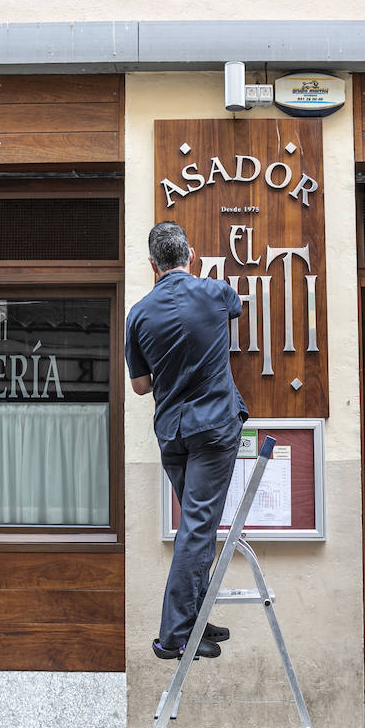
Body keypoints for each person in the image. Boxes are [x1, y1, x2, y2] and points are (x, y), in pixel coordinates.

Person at [126, 222, 247, 661]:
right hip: (213, 429)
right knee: (199, 529)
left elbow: (140, 386)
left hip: (173, 433)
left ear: (152, 265)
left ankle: (194, 617)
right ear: (190, 255)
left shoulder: (139, 313)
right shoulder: (215, 293)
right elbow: (235, 308)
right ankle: (174, 636)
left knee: (199, 527)